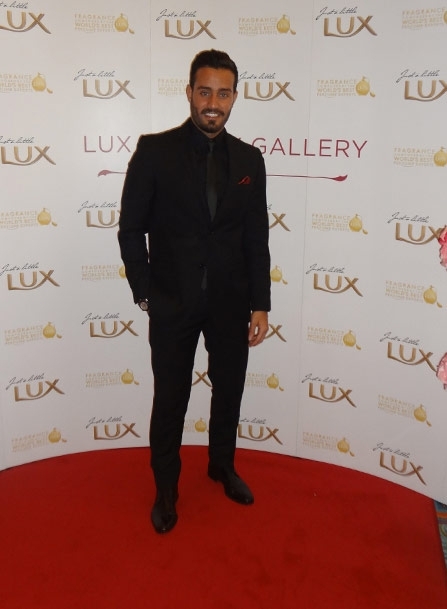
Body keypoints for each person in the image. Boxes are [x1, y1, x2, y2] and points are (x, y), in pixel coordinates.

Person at [118, 49, 271, 534]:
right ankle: (166, 489)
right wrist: (146, 292)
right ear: (189, 93)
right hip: (172, 303)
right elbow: (130, 229)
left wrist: (260, 303)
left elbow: (256, 237)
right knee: (170, 399)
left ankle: (221, 466)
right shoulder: (154, 152)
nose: (213, 103)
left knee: (229, 391)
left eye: (223, 94)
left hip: (230, 303)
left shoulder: (249, 160)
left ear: (234, 97)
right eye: (204, 92)